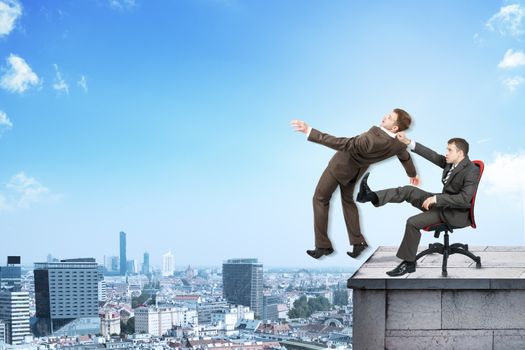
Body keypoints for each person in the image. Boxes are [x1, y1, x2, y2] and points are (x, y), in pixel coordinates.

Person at [291, 109, 419, 260]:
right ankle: (358, 242)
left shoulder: (371, 139)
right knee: (347, 201)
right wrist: (412, 174)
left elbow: (342, 143)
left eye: (389, 117)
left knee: (320, 198)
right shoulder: (398, 143)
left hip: (340, 166)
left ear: (395, 128)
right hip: (356, 171)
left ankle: (322, 245)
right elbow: (405, 157)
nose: (385, 116)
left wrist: (310, 131)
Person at [357, 134, 480, 276]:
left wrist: (436, 200)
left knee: (412, 223)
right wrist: (408, 142)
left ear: (460, 153)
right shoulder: (451, 163)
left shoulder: (471, 170)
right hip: (442, 204)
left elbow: (465, 199)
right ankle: (369, 196)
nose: (446, 153)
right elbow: (432, 155)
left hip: (454, 213)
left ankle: (409, 264)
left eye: (449, 150)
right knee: (408, 190)